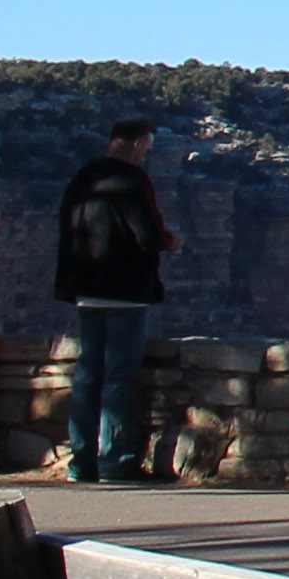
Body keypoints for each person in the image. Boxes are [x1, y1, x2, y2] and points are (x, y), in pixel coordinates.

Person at [52, 119, 180, 485]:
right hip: (125, 291)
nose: (147, 155)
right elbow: (147, 234)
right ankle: (116, 461)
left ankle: (81, 462)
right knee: (118, 378)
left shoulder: (82, 178)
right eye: (147, 148)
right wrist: (171, 241)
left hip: (86, 289)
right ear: (138, 143)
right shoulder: (132, 180)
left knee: (87, 375)